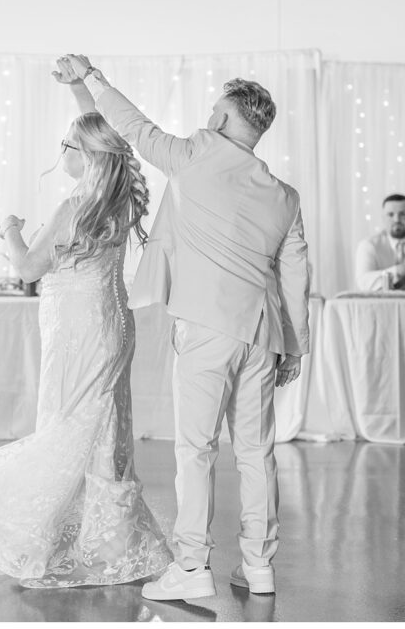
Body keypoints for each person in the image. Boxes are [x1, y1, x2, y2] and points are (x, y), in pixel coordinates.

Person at [59, 54, 311, 601]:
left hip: (205, 326)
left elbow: (133, 127)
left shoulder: (198, 153)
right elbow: (295, 271)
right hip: (263, 333)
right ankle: (259, 565)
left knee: (195, 450)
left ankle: (193, 567)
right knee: (256, 452)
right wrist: (295, 346)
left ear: (223, 119)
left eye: (215, 109)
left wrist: (91, 77)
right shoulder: (284, 195)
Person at [0, 72, 172, 589]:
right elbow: (103, 131)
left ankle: (36, 533)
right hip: (112, 326)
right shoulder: (119, 199)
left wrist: (10, 230)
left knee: (65, 425)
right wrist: (78, 90)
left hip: (76, 331)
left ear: (85, 155)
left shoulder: (73, 207)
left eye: (67, 144)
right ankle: (108, 542)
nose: (60, 151)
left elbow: (28, 268)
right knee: (102, 429)